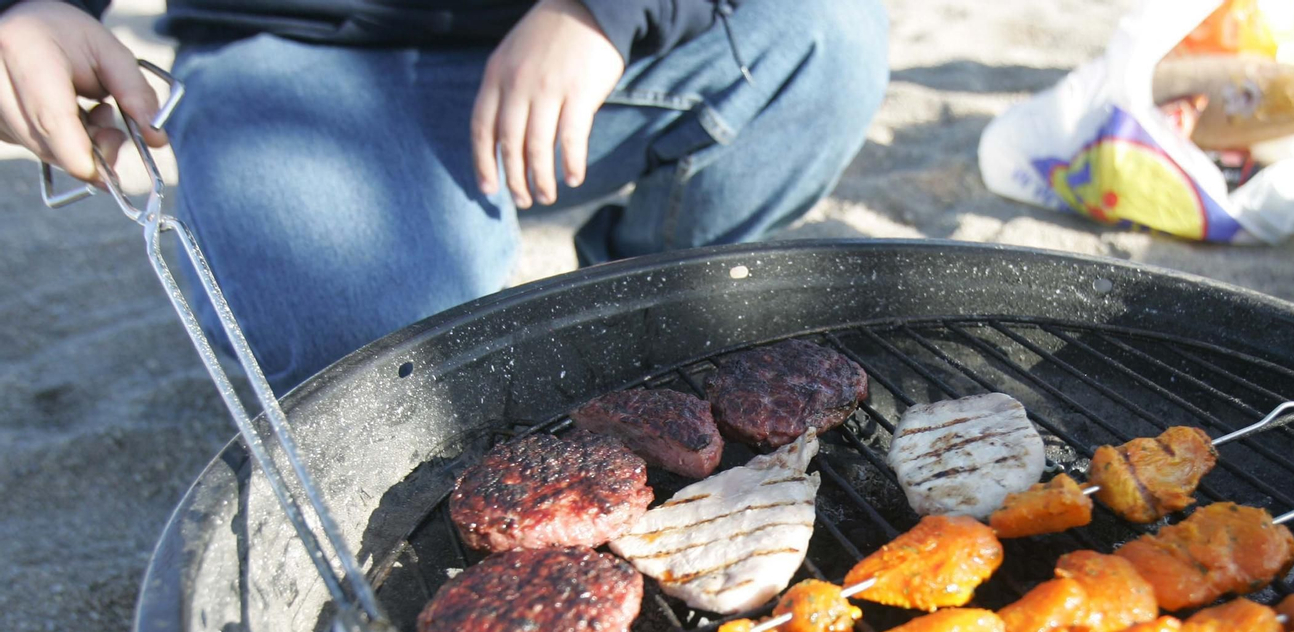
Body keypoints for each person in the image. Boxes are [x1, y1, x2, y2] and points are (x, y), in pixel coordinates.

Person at [0, 0, 889, 390]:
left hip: (577, 45)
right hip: (298, 57)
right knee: (394, 363)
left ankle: (635, 303)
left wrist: (604, 8)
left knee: (828, 36)